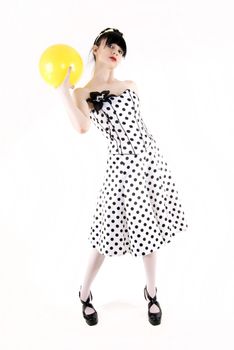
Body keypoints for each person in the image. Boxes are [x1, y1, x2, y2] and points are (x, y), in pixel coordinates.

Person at [57, 27, 189, 326]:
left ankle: (152, 293)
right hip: (121, 168)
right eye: (110, 46)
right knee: (104, 234)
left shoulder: (131, 85)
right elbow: (81, 128)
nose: (116, 52)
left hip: (149, 162)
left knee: (149, 228)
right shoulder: (83, 93)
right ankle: (84, 293)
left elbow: (139, 130)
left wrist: (152, 162)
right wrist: (63, 93)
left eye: (121, 49)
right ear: (95, 48)